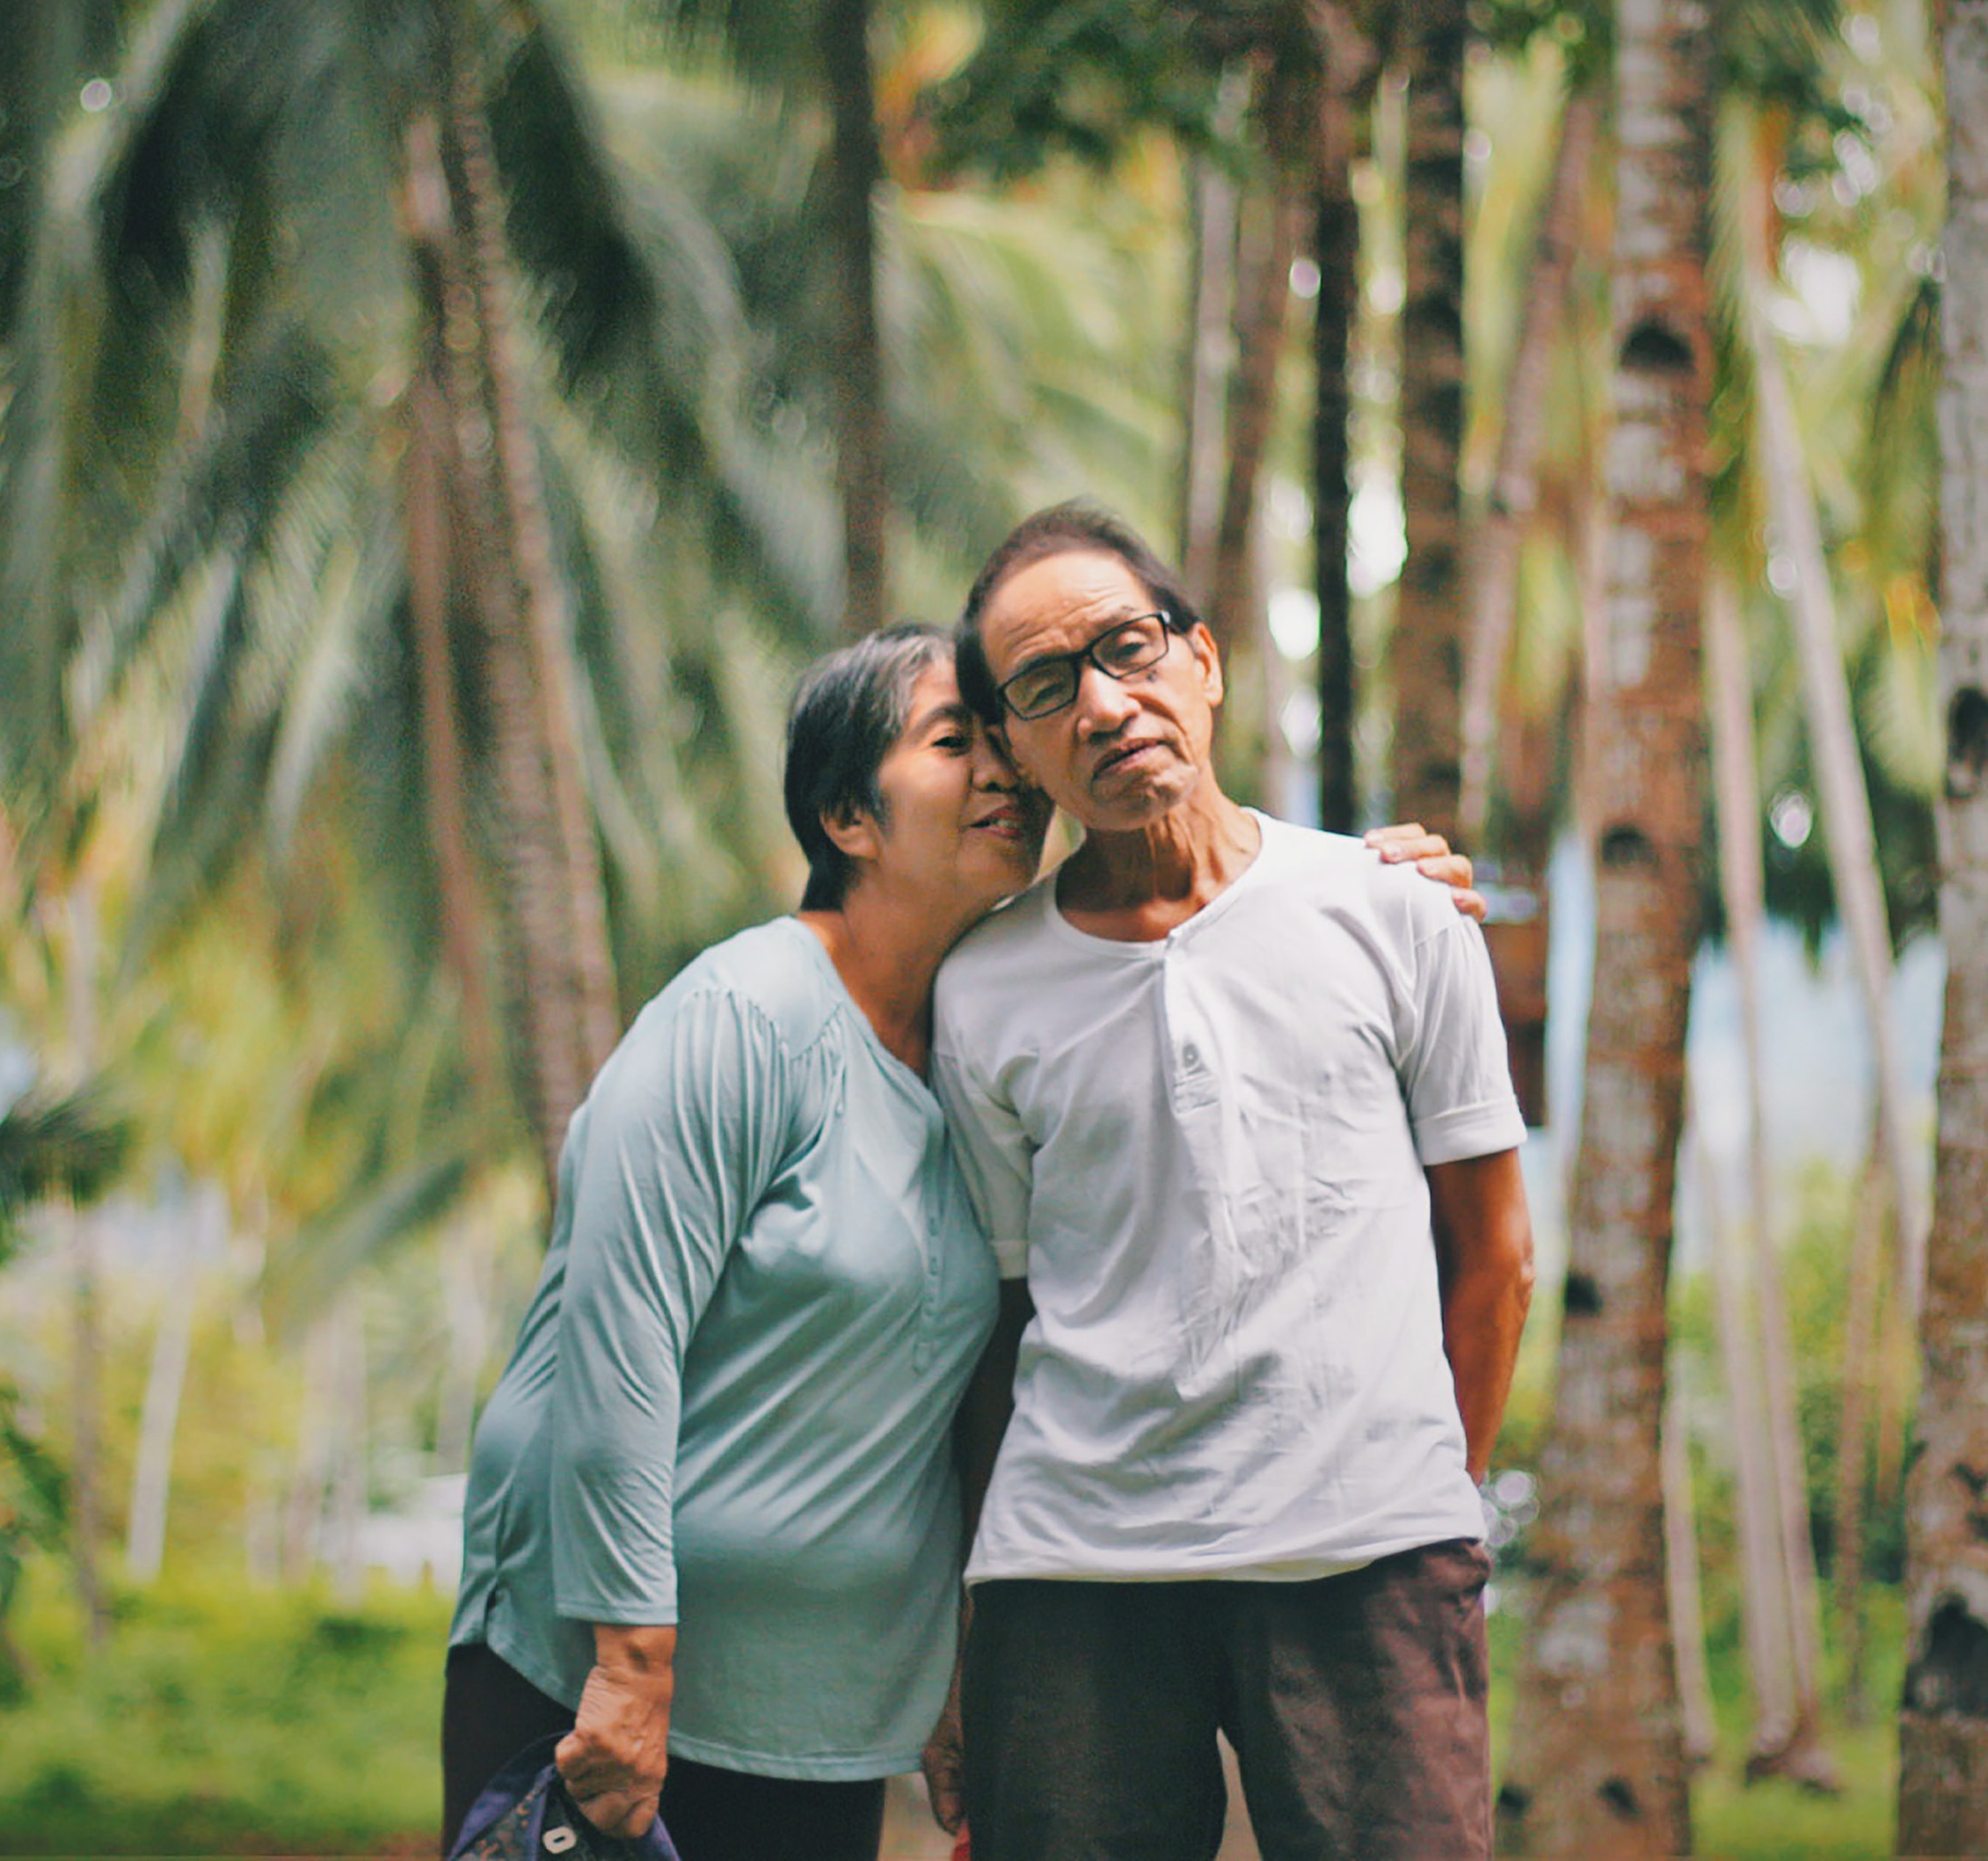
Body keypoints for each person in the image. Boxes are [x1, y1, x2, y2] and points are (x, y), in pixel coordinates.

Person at [442, 622, 1481, 1861]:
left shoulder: (988, 1043)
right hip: (602, 1690)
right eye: (953, 744)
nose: (1004, 774)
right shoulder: (743, 1016)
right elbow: (618, 1343)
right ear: (848, 819)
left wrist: (1379, 882)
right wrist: (628, 1660)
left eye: (1007, 748)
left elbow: (961, 1407)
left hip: (816, 1714)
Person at [939, 503, 1537, 1861]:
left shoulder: (1394, 914)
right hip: (1074, 1587)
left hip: (1370, 1574)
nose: (1103, 703)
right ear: (1022, 748)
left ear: (1203, 660)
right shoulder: (984, 988)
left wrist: (1434, 1512)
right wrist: (973, 1632)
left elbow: (1495, 1258)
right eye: (1046, 686)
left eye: (1129, 647)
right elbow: (1000, 1326)